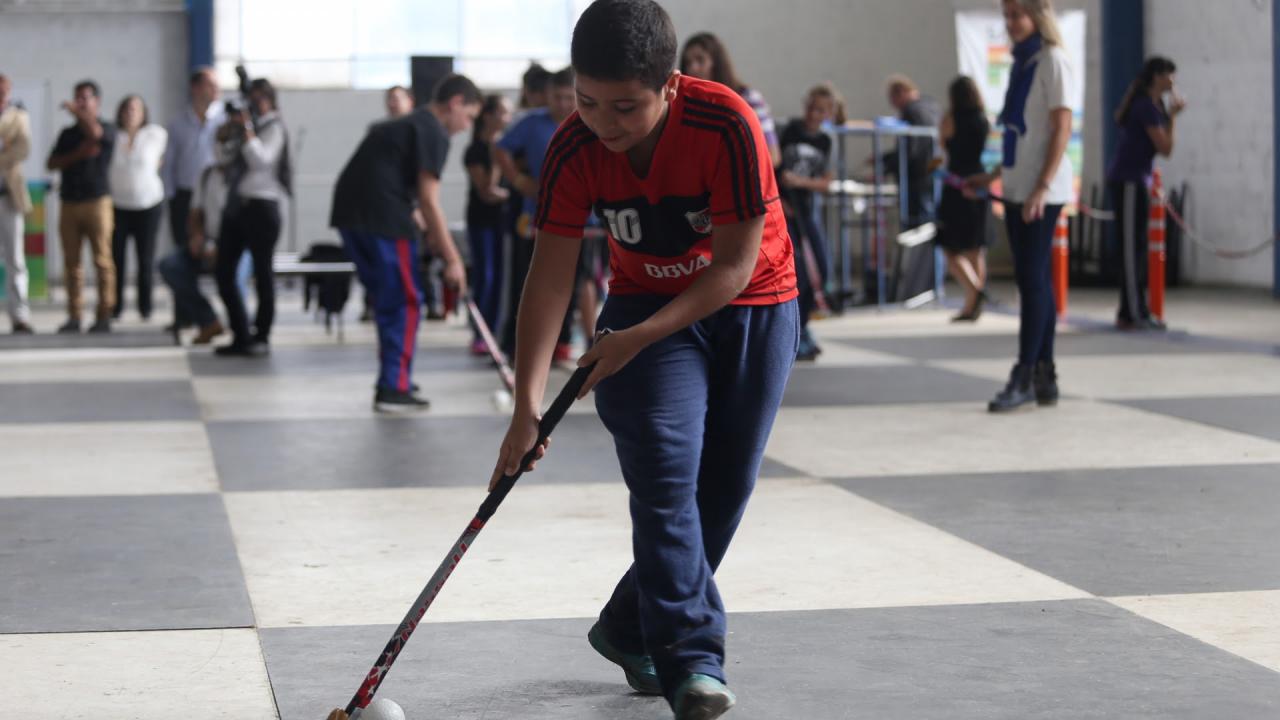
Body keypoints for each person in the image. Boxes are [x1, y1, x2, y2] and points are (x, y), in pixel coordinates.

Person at [490, 2, 798, 717]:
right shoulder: (572, 148)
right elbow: (550, 276)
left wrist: (635, 340)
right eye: (587, 102)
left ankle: (631, 623)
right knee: (665, 473)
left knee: (722, 490)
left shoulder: (726, 124)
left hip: (753, 302)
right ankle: (692, 659)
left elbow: (730, 269)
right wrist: (525, 406)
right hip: (638, 305)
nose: (604, 124)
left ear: (671, 83)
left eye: (625, 107)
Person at [331, 74, 477, 411]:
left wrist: (422, 222)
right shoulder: (432, 131)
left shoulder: (407, 125)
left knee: (389, 299)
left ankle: (393, 378)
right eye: (468, 116)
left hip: (352, 216)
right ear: (455, 103)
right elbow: (429, 200)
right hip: (382, 218)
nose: (466, 126)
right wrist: (453, 259)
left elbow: (394, 178)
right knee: (405, 301)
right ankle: (393, 387)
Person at [966, 0, 1074, 413]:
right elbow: (1020, 133)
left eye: (1016, 14)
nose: (1009, 23)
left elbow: (1062, 127)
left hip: (1039, 191)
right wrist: (992, 175)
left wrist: (1042, 187)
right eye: (1006, 15)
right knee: (1037, 280)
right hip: (1016, 185)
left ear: (1036, 16)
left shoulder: (1053, 61)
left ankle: (1025, 372)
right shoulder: (1022, 63)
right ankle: (1045, 372)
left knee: (1031, 280)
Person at [495, 66, 578, 363]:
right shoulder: (531, 123)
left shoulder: (589, 122)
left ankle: (563, 341)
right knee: (525, 281)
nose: (564, 104)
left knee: (573, 284)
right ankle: (516, 345)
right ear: (548, 96)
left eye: (570, 97)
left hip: (582, 221)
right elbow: (500, 149)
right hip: (535, 219)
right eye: (558, 97)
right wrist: (519, 181)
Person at [214, 78, 289, 357]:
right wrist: (225, 135)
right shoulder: (246, 128)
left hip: (263, 207)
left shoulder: (273, 128)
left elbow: (262, 160)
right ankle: (241, 332)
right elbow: (223, 160)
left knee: (263, 273)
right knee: (223, 271)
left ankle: (262, 334)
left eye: (259, 100)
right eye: (251, 100)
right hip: (237, 206)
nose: (255, 106)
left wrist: (246, 130)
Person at [1108, 56, 1183, 332]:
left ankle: (1134, 309)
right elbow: (1165, 148)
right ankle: (1132, 312)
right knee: (1131, 250)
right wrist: (1173, 118)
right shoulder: (1145, 107)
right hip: (1127, 181)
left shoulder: (1153, 106)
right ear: (1157, 76)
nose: (1173, 81)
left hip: (1139, 180)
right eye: (1170, 75)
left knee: (1138, 247)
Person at [777, 82, 843, 361]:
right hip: (783, 209)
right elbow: (773, 166)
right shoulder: (789, 130)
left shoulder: (826, 142)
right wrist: (781, 197)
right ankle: (795, 331)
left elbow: (827, 182)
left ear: (827, 114)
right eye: (810, 108)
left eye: (820, 111)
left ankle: (804, 327)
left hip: (806, 210)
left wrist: (801, 181)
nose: (812, 115)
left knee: (822, 268)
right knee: (799, 273)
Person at [157, 119, 237, 346]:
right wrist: (197, 238)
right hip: (208, 242)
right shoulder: (207, 175)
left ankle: (241, 329)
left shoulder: (245, 178)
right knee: (170, 265)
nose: (223, 148)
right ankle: (208, 320)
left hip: (237, 246)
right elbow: (195, 213)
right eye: (219, 141)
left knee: (234, 278)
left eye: (228, 142)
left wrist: (224, 247)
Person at [47, 80, 117, 334]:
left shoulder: (107, 128)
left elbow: (96, 135)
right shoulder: (68, 134)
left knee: (102, 261)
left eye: (85, 98)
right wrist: (77, 155)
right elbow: (52, 162)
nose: (79, 103)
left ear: (96, 101)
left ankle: (104, 314)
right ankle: (74, 315)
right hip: (70, 202)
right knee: (72, 264)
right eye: (77, 98)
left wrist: (79, 113)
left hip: (97, 202)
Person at [936, 75, 992, 322]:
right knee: (975, 248)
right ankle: (972, 304)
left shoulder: (950, 119)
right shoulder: (983, 119)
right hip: (979, 181)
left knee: (950, 247)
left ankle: (975, 292)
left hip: (957, 184)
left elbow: (943, 146)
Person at [679, 31, 781, 166]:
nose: (692, 68)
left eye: (700, 60)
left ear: (717, 63)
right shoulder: (683, 104)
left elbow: (773, 156)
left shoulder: (749, 99)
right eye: (688, 62)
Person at [109, 94, 168, 321]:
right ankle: (117, 306)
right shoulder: (114, 135)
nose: (131, 113)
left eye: (136, 109)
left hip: (148, 204)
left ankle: (146, 307)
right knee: (118, 259)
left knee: (145, 259)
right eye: (127, 109)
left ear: (143, 113)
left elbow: (162, 159)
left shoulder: (155, 134)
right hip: (118, 205)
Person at [161, 68, 223, 276]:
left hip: (214, 196)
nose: (216, 88)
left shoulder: (224, 120)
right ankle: (186, 305)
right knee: (184, 250)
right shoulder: (178, 123)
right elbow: (169, 162)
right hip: (184, 195)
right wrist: (171, 196)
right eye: (210, 84)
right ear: (195, 88)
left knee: (219, 250)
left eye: (217, 84)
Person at [463, 94, 511, 355]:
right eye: (504, 112)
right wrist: (495, 154)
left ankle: (495, 330)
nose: (508, 118)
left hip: (503, 222)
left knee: (502, 278)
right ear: (489, 115)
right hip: (481, 221)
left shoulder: (509, 145)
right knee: (487, 276)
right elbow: (487, 190)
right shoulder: (475, 151)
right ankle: (480, 332)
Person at [880, 74, 941, 228]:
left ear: (901, 93)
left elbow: (910, 149)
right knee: (929, 222)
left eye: (892, 99)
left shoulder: (912, 111)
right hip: (934, 170)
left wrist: (885, 166)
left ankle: (920, 253)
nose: (893, 105)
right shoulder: (932, 105)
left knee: (916, 225)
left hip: (916, 176)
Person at [0, 73, 33, 334]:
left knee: (15, 257)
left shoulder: (18, 117)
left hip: (8, 195)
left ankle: (20, 314)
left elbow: (22, 149)